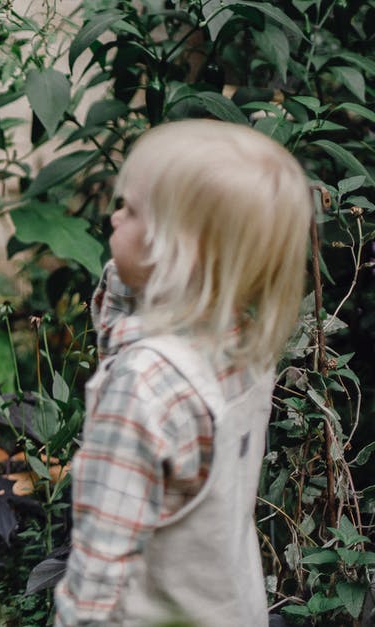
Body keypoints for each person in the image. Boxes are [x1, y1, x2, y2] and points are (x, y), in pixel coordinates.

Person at [53, 119, 312, 626]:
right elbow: (125, 333)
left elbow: (99, 566)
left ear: (175, 248)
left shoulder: (142, 385)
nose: (114, 218)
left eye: (128, 208)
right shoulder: (243, 343)